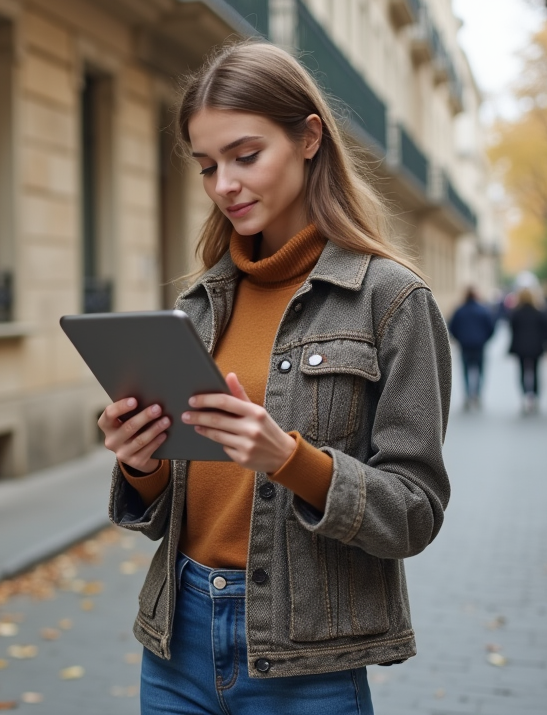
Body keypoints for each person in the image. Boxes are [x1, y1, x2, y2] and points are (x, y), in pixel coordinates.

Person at [96, 43, 451, 715]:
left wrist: (290, 461)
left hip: (306, 659)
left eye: (245, 156)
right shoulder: (199, 306)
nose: (224, 183)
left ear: (309, 137)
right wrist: (141, 463)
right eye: (207, 166)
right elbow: (172, 508)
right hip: (179, 642)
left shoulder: (392, 301)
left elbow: (414, 511)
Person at [448, 287, 497, 409]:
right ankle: (477, 394)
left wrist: (459, 339)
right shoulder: (483, 310)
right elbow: (491, 328)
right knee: (480, 371)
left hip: (465, 346)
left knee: (465, 372)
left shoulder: (459, 311)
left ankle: (468, 395)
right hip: (479, 346)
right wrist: (484, 340)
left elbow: (452, 327)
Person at [508, 287, 547, 414]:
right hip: (536, 346)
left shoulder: (516, 313)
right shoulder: (539, 313)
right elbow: (546, 329)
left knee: (522, 372)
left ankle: (524, 396)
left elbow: (512, 328)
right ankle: (535, 397)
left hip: (520, 347)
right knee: (536, 372)